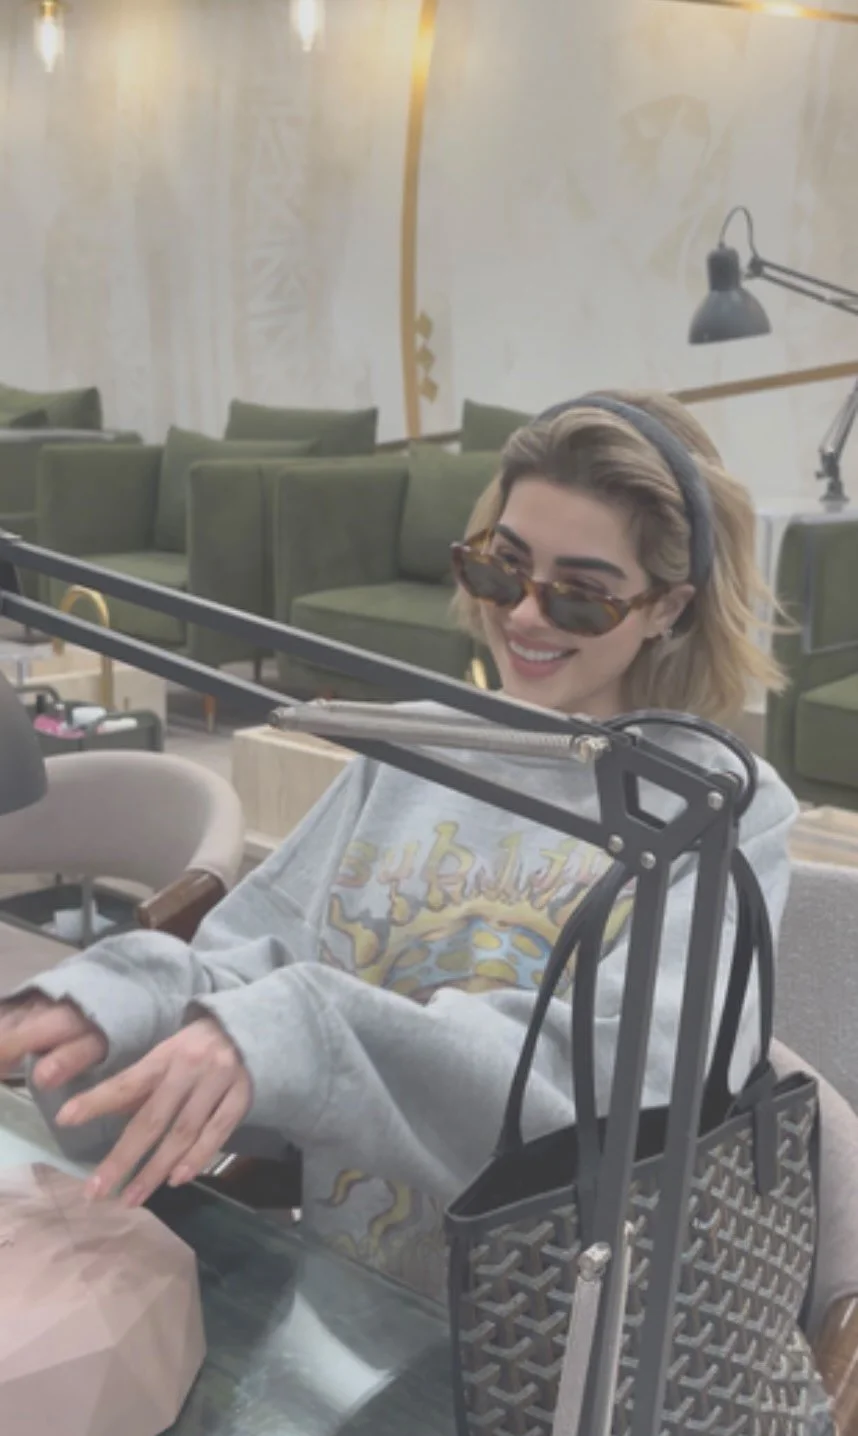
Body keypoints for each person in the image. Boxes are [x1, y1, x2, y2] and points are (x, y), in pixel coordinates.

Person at [0, 390, 797, 1300]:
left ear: (668, 608)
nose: (524, 617)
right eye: (501, 570)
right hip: (352, 1311)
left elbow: (631, 1096)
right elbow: (254, 971)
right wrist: (119, 1004)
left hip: (562, 1338)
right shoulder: (415, 748)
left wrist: (313, 1032)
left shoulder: (718, 809)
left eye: (580, 597)